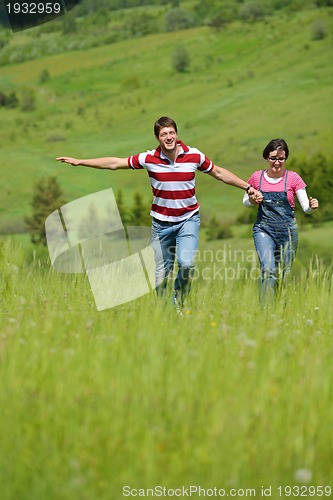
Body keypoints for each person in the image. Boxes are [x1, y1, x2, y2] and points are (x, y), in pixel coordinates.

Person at [57, 116, 261, 311]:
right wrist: (80, 161)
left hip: (188, 219)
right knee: (162, 275)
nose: (169, 137)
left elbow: (218, 173)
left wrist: (247, 186)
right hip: (161, 223)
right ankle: (166, 313)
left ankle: (179, 301)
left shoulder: (194, 155)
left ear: (177, 134)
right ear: (157, 138)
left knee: (186, 264)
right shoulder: (149, 158)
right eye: (164, 134)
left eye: (171, 132)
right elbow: (115, 163)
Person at [243, 138, 319, 303]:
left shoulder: (293, 178)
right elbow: (245, 202)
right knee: (268, 269)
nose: (277, 162)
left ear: (285, 158)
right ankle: (265, 310)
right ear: (266, 157)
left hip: (288, 232)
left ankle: (278, 307)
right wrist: (252, 199)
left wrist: (312, 207)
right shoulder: (257, 178)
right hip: (264, 229)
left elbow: (305, 207)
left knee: (283, 274)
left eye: (281, 158)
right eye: (273, 158)